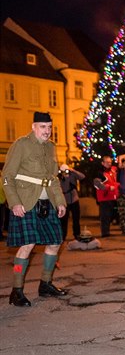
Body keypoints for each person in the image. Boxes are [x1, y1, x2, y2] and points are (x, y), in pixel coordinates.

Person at [3, 111, 68, 306]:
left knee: (56, 241)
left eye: (49, 127)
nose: (47, 131)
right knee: (27, 246)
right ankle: (16, 290)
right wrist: (14, 202)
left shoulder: (51, 147)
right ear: (33, 127)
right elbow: (7, 176)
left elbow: (53, 179)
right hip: (26, 202)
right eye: (42, 127)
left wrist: (60, 202)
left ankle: (46, 284)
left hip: (46, 204)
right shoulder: (21, 144)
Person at [93, 156, 119, 238]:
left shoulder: (112, 171)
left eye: (110, 162)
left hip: (111, 197)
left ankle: (107, 231)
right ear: (102, 163)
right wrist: (108, 187)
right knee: (105, 215)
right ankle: (105, 232)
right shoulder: (100, 173)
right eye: (107, 162)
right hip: (104, 197)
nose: (109, 164)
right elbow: (97, 184)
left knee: (109, 215)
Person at [58, 163, 86, 241]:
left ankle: (77, 234)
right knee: (63, 220)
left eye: (66, 171)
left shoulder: (72, 175)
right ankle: (63, 235)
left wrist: (73, 170)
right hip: (64, 201)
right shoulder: (59, 178)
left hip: (74, 199)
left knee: (76, 219)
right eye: (64, 171)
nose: (66, 172)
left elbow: (82, 177)